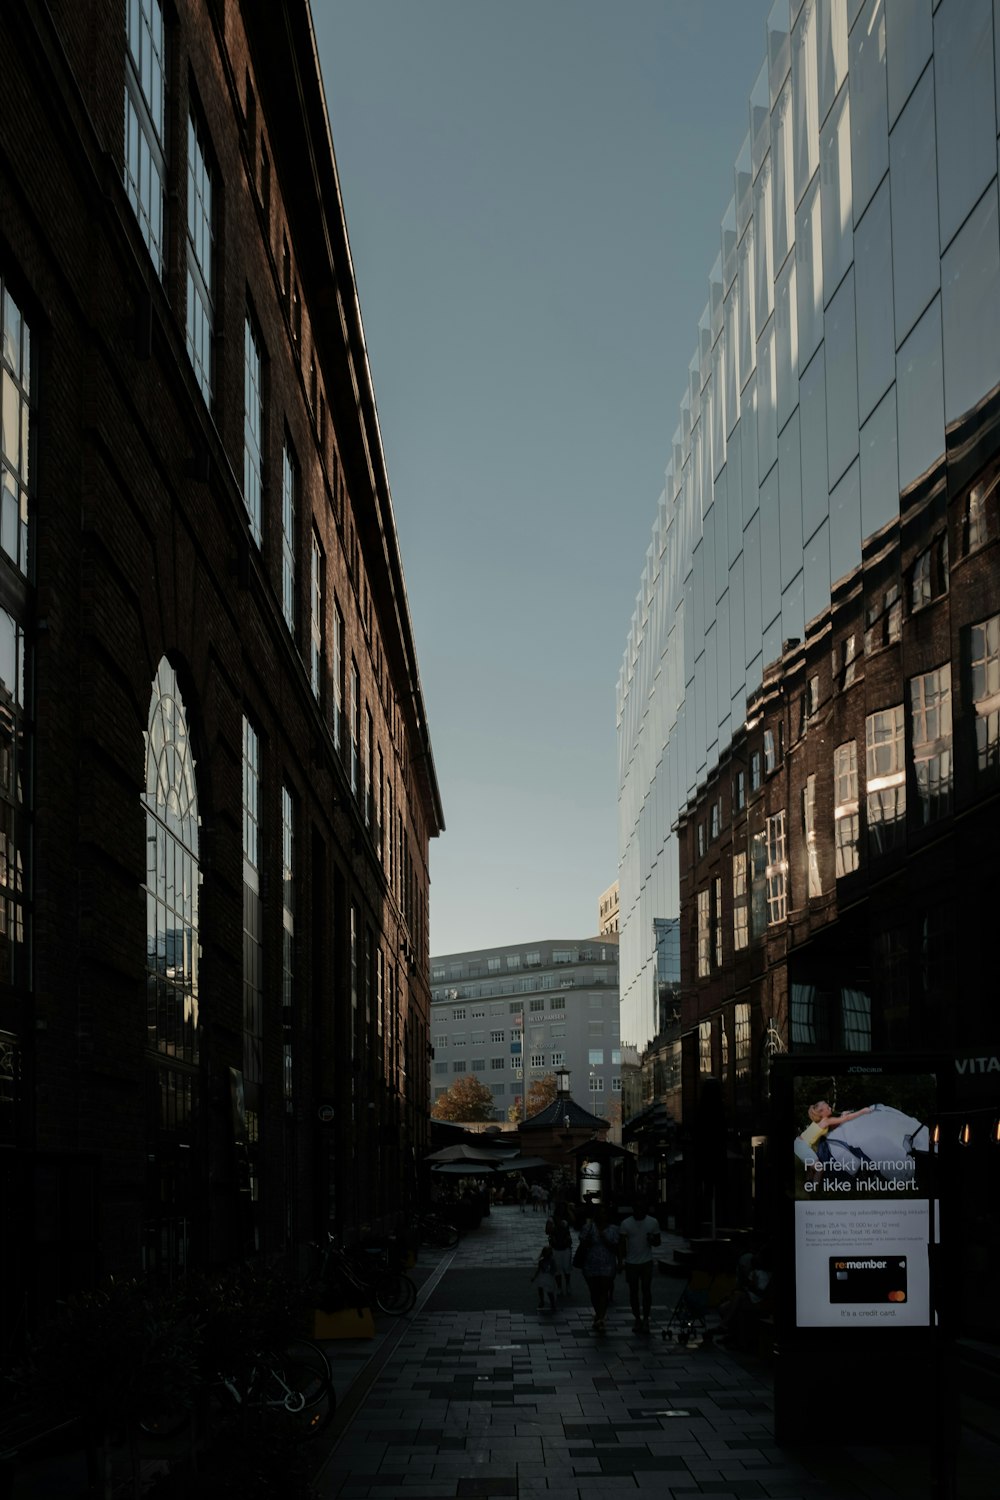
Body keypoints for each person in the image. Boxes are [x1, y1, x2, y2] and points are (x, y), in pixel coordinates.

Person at [617, 1197, 661, 1333]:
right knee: (634, 1292)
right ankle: (637, 1318)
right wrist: (620, 1261)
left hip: (646, 1261)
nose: (639, 1211)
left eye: (642, 1208)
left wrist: (652, 1239)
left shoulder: (652, 1222)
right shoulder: (626, 1224)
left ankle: (645, 1318)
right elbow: (621, 1244)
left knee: (646, 1290)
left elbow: (658, 1242)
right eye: (637, 1208)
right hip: (631, 1262)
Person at [577, 1206, 620, 1332]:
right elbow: (583, 1243)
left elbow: (615, 1246)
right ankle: (598, 1312)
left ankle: (601, 1317)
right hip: (590, 1263)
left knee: (604, 1290)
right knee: (594, 1291)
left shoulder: (613, 1229)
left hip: (607, 1264)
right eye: (600, 1213)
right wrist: (588, 1240)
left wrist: (604, 1239)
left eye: (605, 1213)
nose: (603, 1216)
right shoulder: (588, 1228)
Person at [545, 1204, 574, 1295]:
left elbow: (574, 1221)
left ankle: (566, 1285)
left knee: (566, 1268)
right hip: (556, 1247)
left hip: (564, 1246)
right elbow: (547, 1231)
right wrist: (554, 1227)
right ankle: (560, 1287)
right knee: (558, 1269)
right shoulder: (552, 1219)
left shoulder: (566, 1218)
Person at [530, 1243, 557, 1313]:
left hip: (548, 1277)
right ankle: (542, 1301)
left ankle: (552, 1303)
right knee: (541, 1289)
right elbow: (538, 1270)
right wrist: (534, 1277)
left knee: (549, 1291)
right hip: (542, 1276)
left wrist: (551, 1272)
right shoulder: (541, 1261)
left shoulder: (552, 1261)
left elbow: (554, 1269)